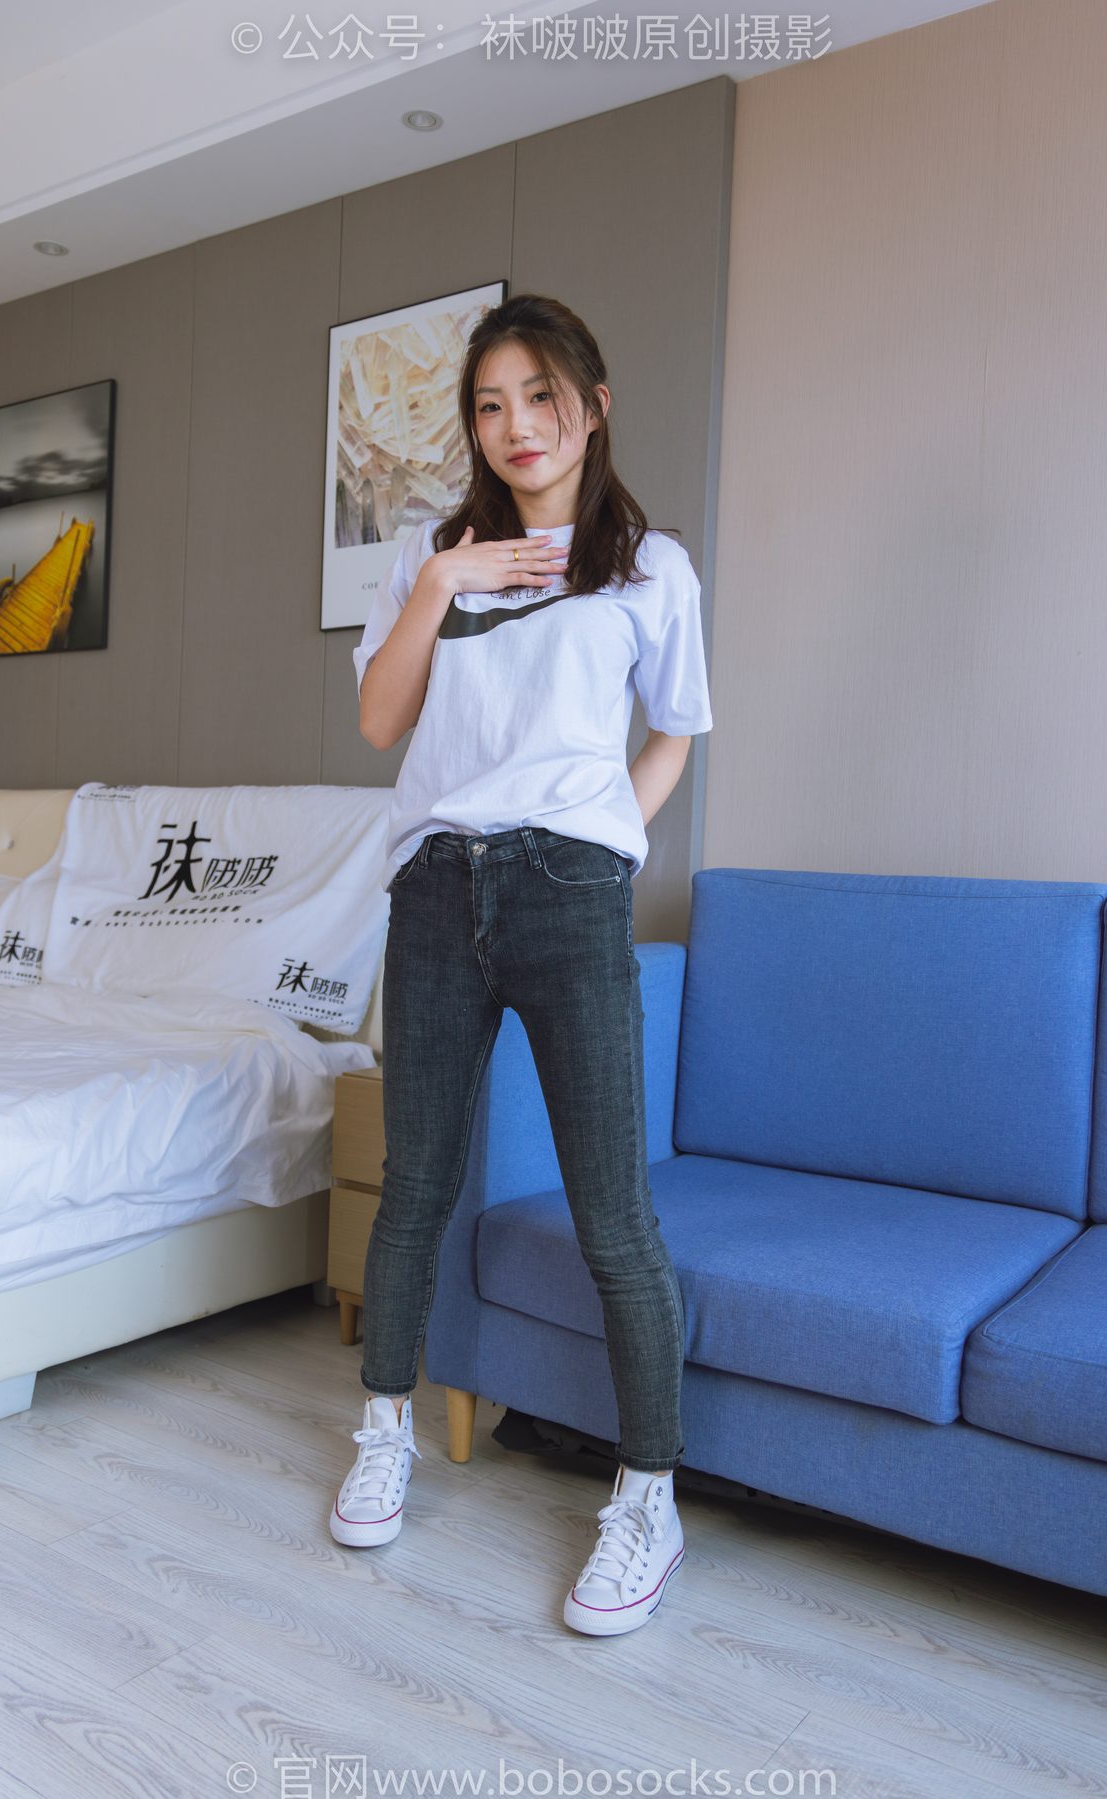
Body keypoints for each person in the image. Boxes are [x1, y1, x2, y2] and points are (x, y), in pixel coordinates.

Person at [328, 292, 714, 1637]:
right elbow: (381, 721)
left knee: (614, 1215)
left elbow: (675, 729)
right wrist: (442, 582)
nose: (516, 427)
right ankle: (383, 1434)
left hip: (566, 891)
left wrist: (611, 841)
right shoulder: (428, 558)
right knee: (415, 1189)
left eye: (540, 397)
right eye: (490, 405)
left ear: (592, 406)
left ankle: (649, 1498)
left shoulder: (649, 568)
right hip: (436, 890)